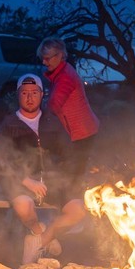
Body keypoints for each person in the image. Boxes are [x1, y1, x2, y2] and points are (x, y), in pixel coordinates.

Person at [0, 75, 88, 265]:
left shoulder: (52, 122)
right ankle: (38, 231)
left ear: (42, 94)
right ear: (18, 95)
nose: (30, 97)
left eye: (34, 93)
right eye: (25, 93)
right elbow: (0, 160)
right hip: (21, 182)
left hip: (53, 181)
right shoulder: (9, 124)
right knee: (23, 205)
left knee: (78, 210)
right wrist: (26, 180)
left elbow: (68, 154)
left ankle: (42, 239)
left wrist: (64, 177)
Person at [37, 38, 99, 191]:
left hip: (81, 131)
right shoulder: (61, 71)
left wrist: (33, 117)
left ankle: (71, 202)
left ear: (60, 55)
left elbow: (54, 105)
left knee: (74, 172)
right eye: (42, 58)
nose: (44, 62)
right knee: (72, 169)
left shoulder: (65, 77)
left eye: (47, 58)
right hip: (79, 129)